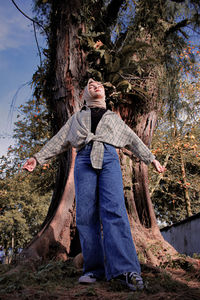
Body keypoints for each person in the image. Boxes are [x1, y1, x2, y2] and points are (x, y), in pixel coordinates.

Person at [23, 79, 165, 291]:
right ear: (85, 96)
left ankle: (126, 270)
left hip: (108, 158)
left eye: (99, 85)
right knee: (86, 214)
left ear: (104, 94)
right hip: (83, 159)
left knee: (114, 210)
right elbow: (59, 140)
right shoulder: (76, 118)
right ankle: (93, 269)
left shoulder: (112, 118)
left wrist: (150, 158)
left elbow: (132, 139)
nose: (95, 86)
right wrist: (37, 158)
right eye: (90, 86)